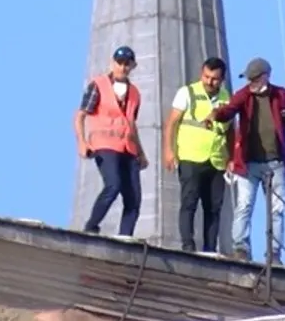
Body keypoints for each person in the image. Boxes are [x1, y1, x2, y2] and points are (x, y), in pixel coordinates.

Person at [206, 57, 285, 262]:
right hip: (248, 163)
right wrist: (215, 114)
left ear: (265, 78)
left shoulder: (282, 96)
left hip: (276, 163)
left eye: (254, 79)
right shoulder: (243, 95)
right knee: (244, 205)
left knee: (276, 210)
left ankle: (274, 254)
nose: (250, 84)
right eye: (248, 79)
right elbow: (229, 110)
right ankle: (241, 248)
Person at [75, 46, 148, 237]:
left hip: (128, 148)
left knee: (133, 199)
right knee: (113, 185)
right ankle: (91, 225)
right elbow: (80, 115)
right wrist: (82, 142)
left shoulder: (134, 93)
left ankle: (125, 237)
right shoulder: (98, 85)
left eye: (126, 64)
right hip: (104, 145)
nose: (122, 67)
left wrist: (140, 152)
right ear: (112, 62)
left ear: (132, 65)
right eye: (119, 63)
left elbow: (131, 123)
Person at [164, 57, 232, 253]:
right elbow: (172, 123)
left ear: (222, 79)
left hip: (216, 159)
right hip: (190, 156)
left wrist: (231, 158)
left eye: (214, 79)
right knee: (189, 201)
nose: (209, 82)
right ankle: (188, 244)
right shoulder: (188, 92)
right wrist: (169, 151)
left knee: (213, 207)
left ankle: (210, 248)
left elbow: (230, 129)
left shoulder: (227, 98)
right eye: (206, 76)